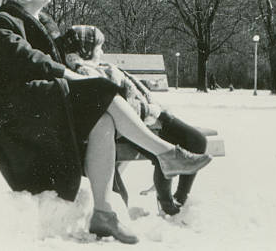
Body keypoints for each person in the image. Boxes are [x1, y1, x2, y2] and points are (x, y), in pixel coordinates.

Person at [0, 0, 212, 244]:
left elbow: (70, 53)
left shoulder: (43, 24)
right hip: (7, 107)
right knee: (99, 91)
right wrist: (72, 76)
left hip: (37, 101)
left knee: (103, 117)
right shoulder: (3, 22)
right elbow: (28, 58)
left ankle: (103, 213)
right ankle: (166, 154)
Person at [60, 25, 210, 216]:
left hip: (152, 115)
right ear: (86, 50)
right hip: (133, 125)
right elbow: (115, 100)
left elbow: (128, 87)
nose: (103, 52)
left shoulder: (101, 67)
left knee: (197, 140)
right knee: (161, 153)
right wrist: (150, 112)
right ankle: (167, 204)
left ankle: (180, 198)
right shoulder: (84, 72)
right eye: (99, 48)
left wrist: (148, 90)